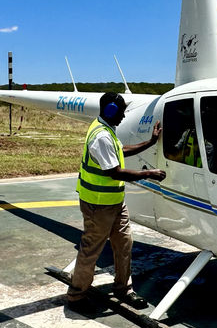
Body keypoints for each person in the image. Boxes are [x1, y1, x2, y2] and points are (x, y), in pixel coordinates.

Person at [67, 93, 166, 311]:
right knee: (91, 250)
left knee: (124, 244)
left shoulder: (107, 129)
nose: (123, 117)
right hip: (98, 204)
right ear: (111, 111)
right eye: (121, 112)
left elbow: (120, 151)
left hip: (114, 202)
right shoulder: (101, 136)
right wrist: (148, 174)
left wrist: (150, 142)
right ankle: (76, 296)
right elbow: (115, 172)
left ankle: (123, 289)